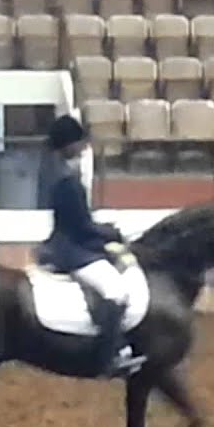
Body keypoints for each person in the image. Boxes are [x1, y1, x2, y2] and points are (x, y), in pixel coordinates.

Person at [37, 114, 146, 378]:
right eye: (80, 142)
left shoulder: (57, 171)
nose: (85, 146)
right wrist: (112, 234)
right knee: (116, 292)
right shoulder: (67, 180)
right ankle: (109, 357)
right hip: (72, 250)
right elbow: (81, 227)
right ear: (68, 145)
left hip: (70, 242)